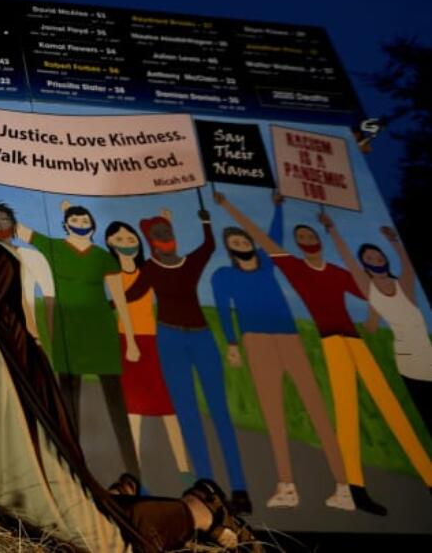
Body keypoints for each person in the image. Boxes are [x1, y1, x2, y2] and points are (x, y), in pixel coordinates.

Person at [0, 199, 255, 553]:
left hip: (18, 395)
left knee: (81, 524)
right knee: (22, 502)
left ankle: (194, 512)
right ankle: (169, 504)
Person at [219, 192, 432, 515]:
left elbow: (366, 288)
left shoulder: (333, 270)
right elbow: (265, 237)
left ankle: (412, 478)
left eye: (310, 236)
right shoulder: (289, 268)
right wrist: (228, 205)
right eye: (300, 236)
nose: (306, 239)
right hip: (318, 342)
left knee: (385, 408)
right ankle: (332, 487)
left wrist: (333, 231)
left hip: (342, 340)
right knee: (334, 413)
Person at [209, 193, 351, 510]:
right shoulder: (224, 276)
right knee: (273, 413)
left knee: (315, 406)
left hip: (289, 339)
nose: (240, 242)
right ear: (229, 248)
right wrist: (232, 345)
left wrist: (276, 206)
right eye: (233, 240)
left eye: (243, 238)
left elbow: (272, 235)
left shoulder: (268, 264)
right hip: (256, 342)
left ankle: (343, 484)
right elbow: (222, 310)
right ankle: (287, 485)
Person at [127, 206, 251, 513]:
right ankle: (206, 486)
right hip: (170, 339)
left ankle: (239, 487)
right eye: (158, 234)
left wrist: (206, 220)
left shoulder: (189, 263)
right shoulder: (151, 269)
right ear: (151, 240)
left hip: (201, 337)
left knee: (220, 413)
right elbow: (132, 294)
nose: (165, 238)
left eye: (167, 232)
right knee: (188, 414)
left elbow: (208, 246)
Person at [14, 200, 141, 481]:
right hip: (67, 333)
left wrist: (130, 339)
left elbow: (119, 298)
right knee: (68, 406)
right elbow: (22, 231)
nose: (81, 225)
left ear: (93, 227)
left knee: (115, 404)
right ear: (66, 224)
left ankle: (133, 470)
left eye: (85, 222)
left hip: (101, 333)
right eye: (76, 220)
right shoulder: (55, 247)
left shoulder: (102, 257)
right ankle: (72, 469)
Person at [102, 221, 190, 486]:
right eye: (119, 237)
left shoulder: (147, 269)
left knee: (168, 407)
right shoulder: (113, 274)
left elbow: (168, 260)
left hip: (155, 338)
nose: (126, 241)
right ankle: (135, 471)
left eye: (131, 237)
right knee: (134, 409)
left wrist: (165, 219)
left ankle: (184, 469)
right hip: (130, 341)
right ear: (110, 243)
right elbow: (122, 308)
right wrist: (130, 343)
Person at [341, 225, 432, 433]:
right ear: (364, 263)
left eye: (378, 255)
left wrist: (395, 242)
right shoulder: (371, 291)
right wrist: (332, 229)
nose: (376, 259)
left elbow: (407, 266)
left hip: (427, 353)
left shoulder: (403, 285)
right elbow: (371, 327)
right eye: (369, 258)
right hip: (407, 359)